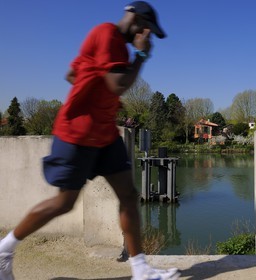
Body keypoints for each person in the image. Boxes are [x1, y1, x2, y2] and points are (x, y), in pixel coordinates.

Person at [0, 2, 180, 280]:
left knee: (129, 196)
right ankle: (4, 251)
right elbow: (118, 84)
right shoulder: (107, 34)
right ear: (136, 19)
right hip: (78, 133)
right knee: (64, 203)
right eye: (147, 28)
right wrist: (141, 55)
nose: (147, 34)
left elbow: (72, 73)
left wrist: (96, 89)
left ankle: (141, 269)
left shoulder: (109, 42)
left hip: (105, 133)